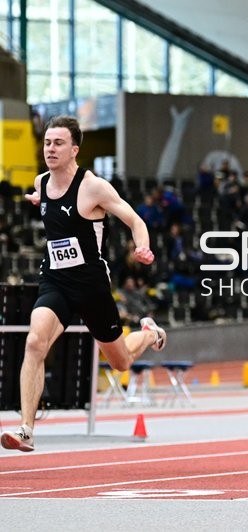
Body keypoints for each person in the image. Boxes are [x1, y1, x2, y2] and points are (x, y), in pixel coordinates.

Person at [0, 115, 166, 453]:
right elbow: (49, 205)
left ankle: (149, 333)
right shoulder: (42, 182)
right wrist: (37, 199)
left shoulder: (94, 187)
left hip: (91, 286)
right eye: (47, 142)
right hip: (55, 281)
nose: (51, 148)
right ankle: (26, 429)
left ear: (74, 149)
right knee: (35, 342)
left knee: (120, 361)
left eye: (58, 143)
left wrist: (142, 245)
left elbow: (134, 219)